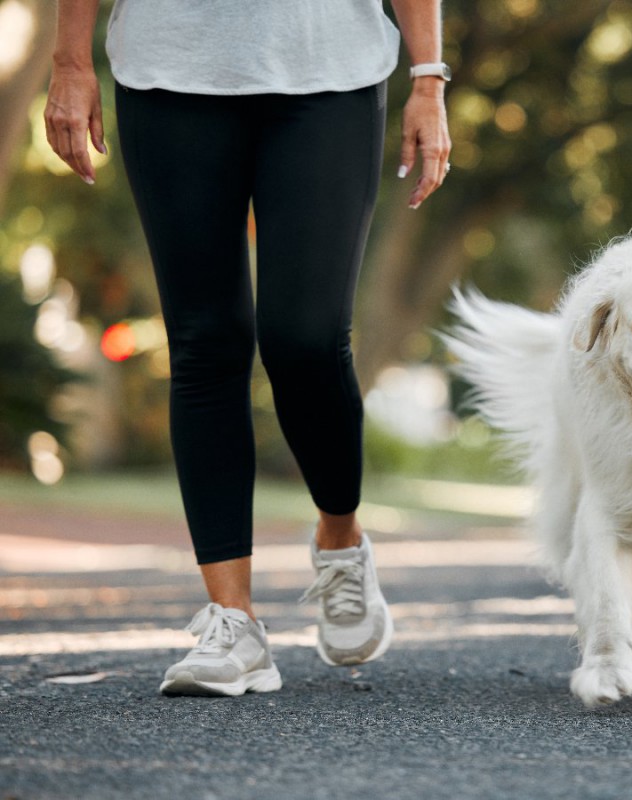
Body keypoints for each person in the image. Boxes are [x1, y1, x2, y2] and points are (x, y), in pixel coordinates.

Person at [44, 0, 451, 696]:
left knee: (307, 339)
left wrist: (428, 79)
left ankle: (340, 539)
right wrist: (71, 60)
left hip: (330, 69)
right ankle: (233, 623)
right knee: (205, 341)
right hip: (168, 70)